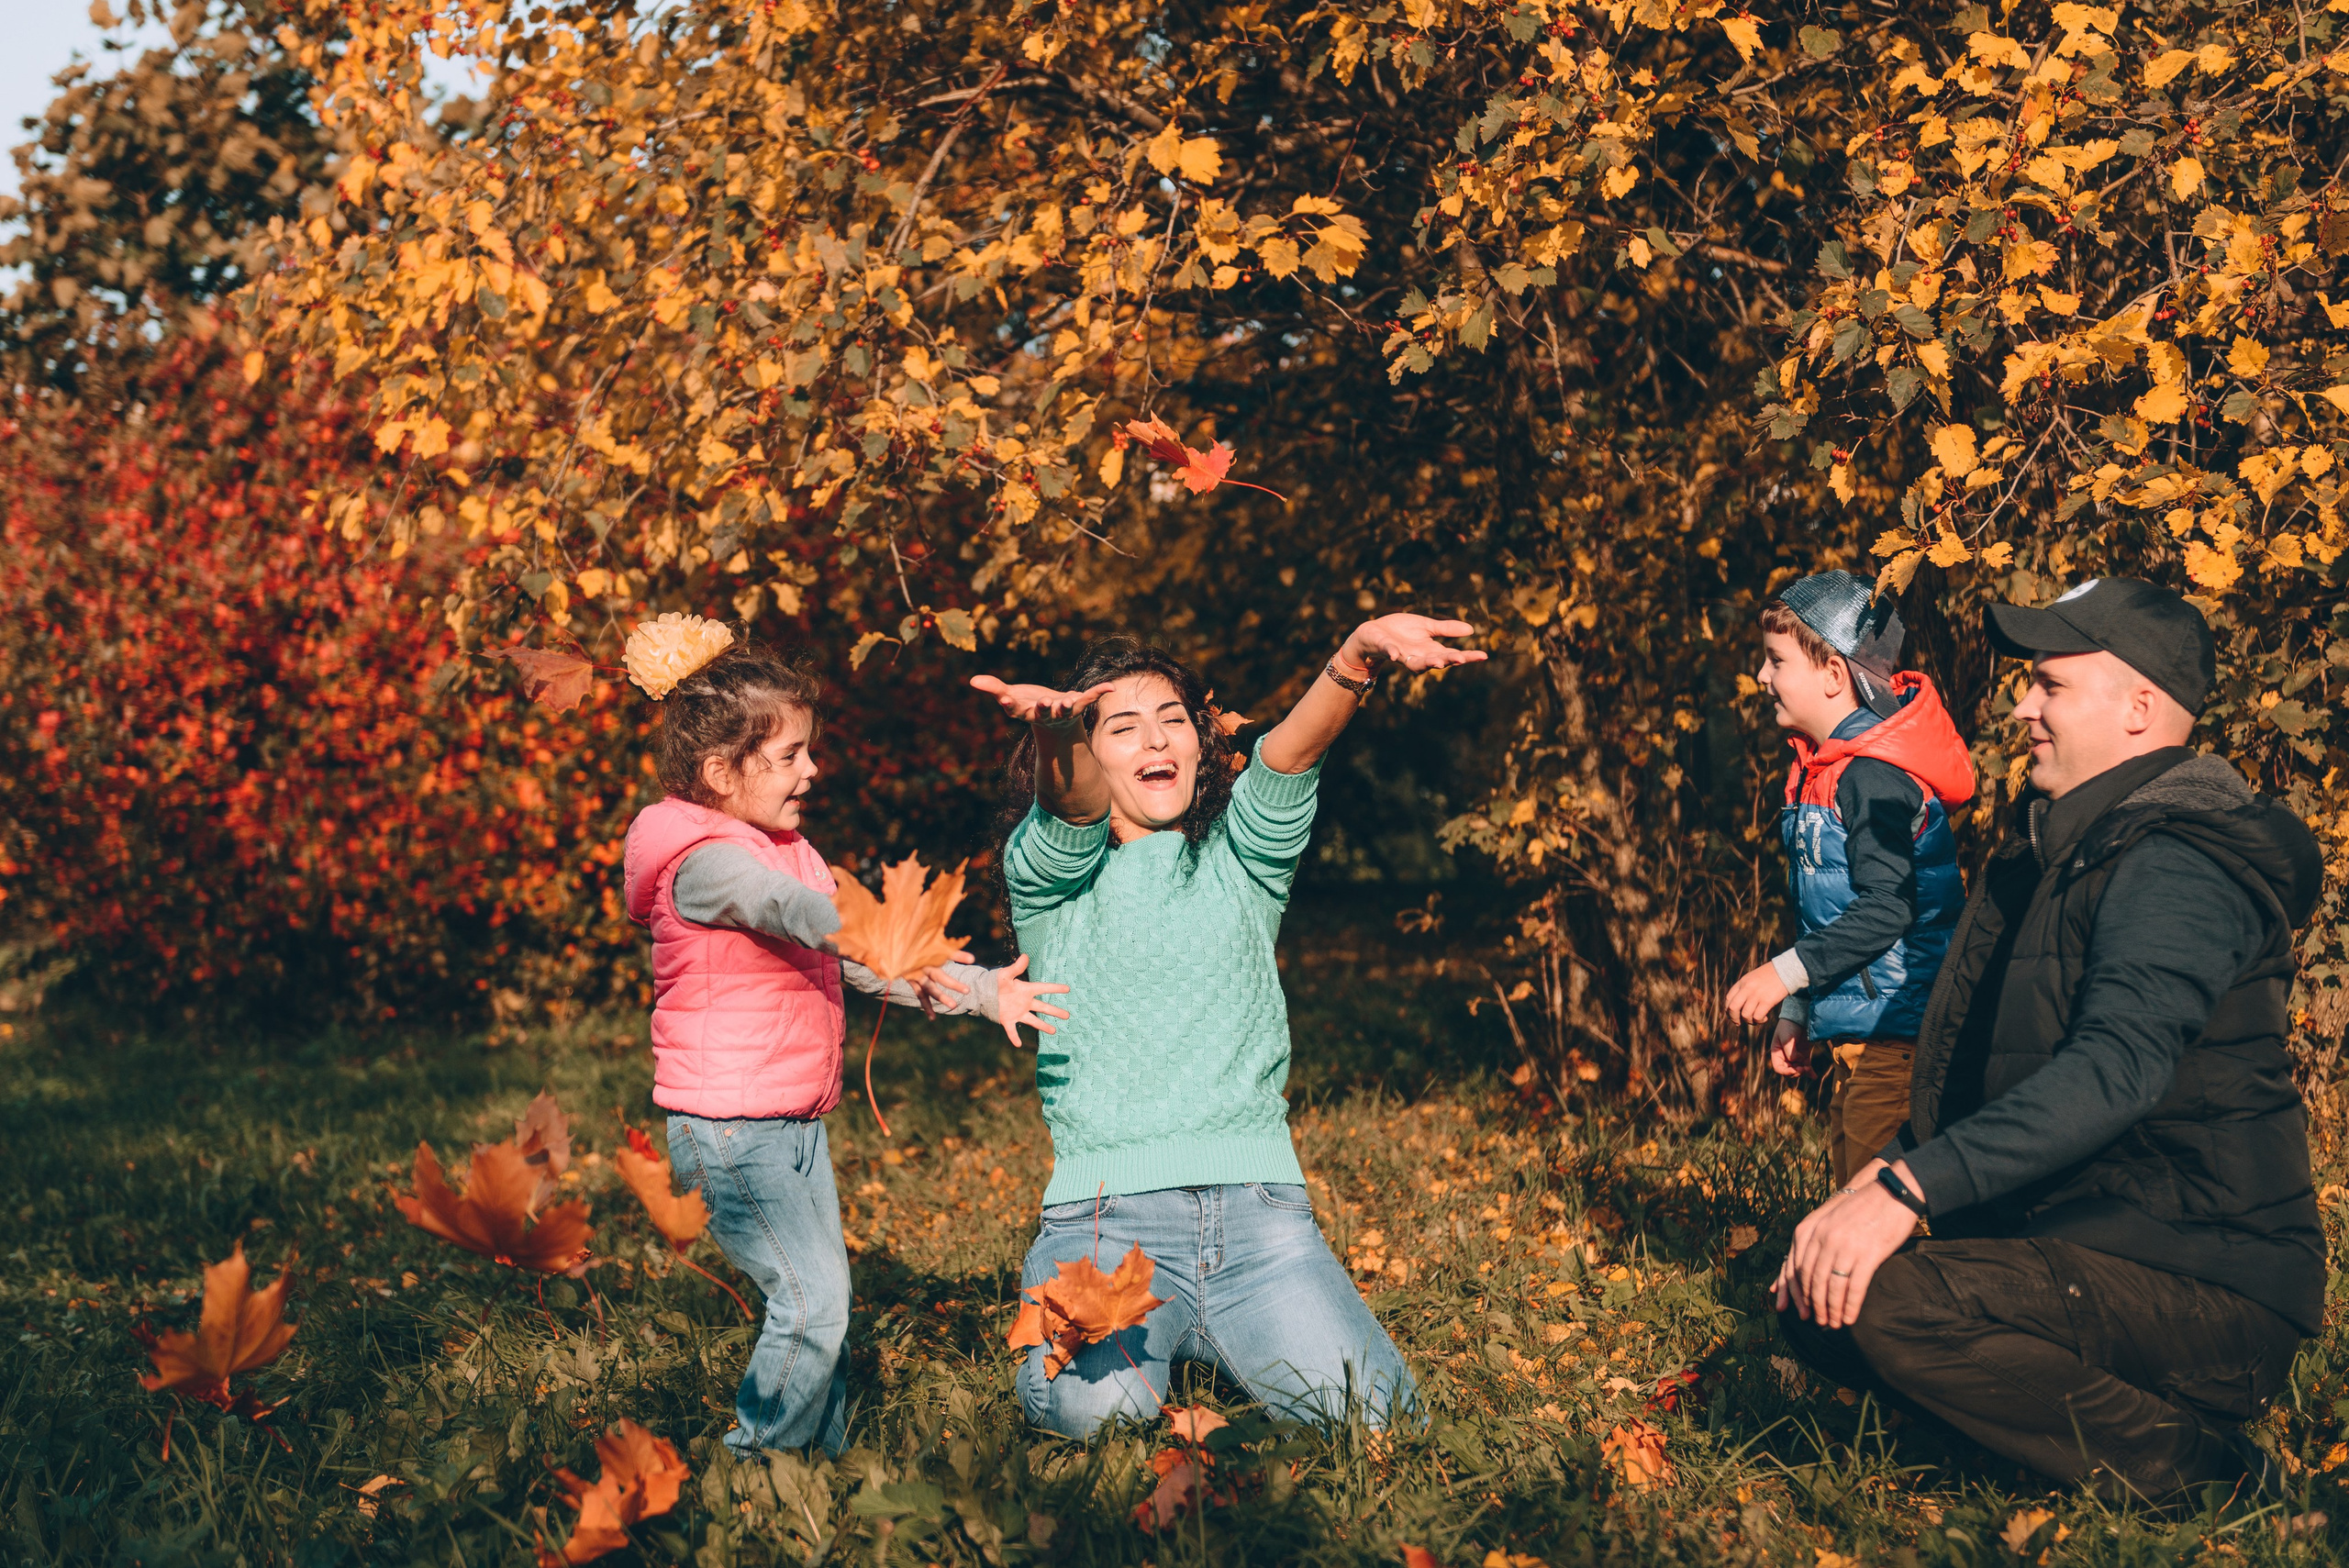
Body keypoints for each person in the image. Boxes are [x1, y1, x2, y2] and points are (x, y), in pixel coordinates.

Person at [1773, 577, 2324, 1502]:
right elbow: (1982, 1080)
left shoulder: (2179, 861)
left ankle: (2217, 1478)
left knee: (1879, 1299)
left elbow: (2114, 1069)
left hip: (2202, 1278)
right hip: (2078, 1245)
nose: (2021, 706)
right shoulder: (2047, 857)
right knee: (1815, 1288)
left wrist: (1912, 1189)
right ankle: (2039, 1445)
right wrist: (1880, 1179)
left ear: (2140, 707)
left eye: (2050, 686)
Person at [970, 617, 1484, 1436]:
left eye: (1172, 718)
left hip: (1259, 1218)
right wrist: (1060, 735)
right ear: (1090, 754)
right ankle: (1140, 1360)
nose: (1156, 738)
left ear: (1202, 743)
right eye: (1122, 726)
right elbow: (1069, 814)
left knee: (1379, 1422)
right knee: (1096, 1413)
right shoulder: (1052, 882)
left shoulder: (1244, 857)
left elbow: (1289, 755)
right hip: (1108, 1221)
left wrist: (1354, 656)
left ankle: (1216, 1335)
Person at [621, 640, 1071, 1456]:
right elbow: (800, 916)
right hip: (728, 1130)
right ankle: (754, 1464)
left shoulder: (781, 852)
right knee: (812, 1300)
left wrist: (980, 990)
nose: (811, 770)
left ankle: (815, 1466)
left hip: (790, 1122)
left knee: (820, 1297)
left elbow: (855, 962)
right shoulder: (707, 864)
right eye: (790, 754)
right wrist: (889, 932)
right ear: (723, 770)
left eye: (809, 751)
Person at [1723, 572, 1975, 1186]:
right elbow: (1833, 914)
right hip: (1866, 1037)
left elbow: (1889, 908)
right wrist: (1801, 1006)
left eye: (1776, 660)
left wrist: (1782, 971)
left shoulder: (1873, 778)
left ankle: (1908, 1286)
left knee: (1876, 1202)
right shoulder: (1826, 773)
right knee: (1852, 1186)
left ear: (1834, 675)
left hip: (1899, 1036)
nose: (1762, 675)